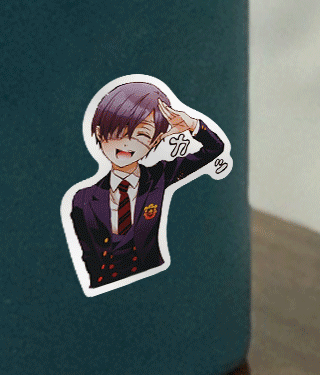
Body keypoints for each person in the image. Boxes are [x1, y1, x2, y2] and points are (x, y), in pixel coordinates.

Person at [66, 79, 228, 291]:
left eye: (142, 134)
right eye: (118, 130)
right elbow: (88, 255)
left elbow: (213, 149)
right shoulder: (82, 199)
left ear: (155, 140)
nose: (127, 142)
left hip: (155, 284)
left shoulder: (160, 176)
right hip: (107, 290)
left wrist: (192, 126)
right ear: (99, 132)